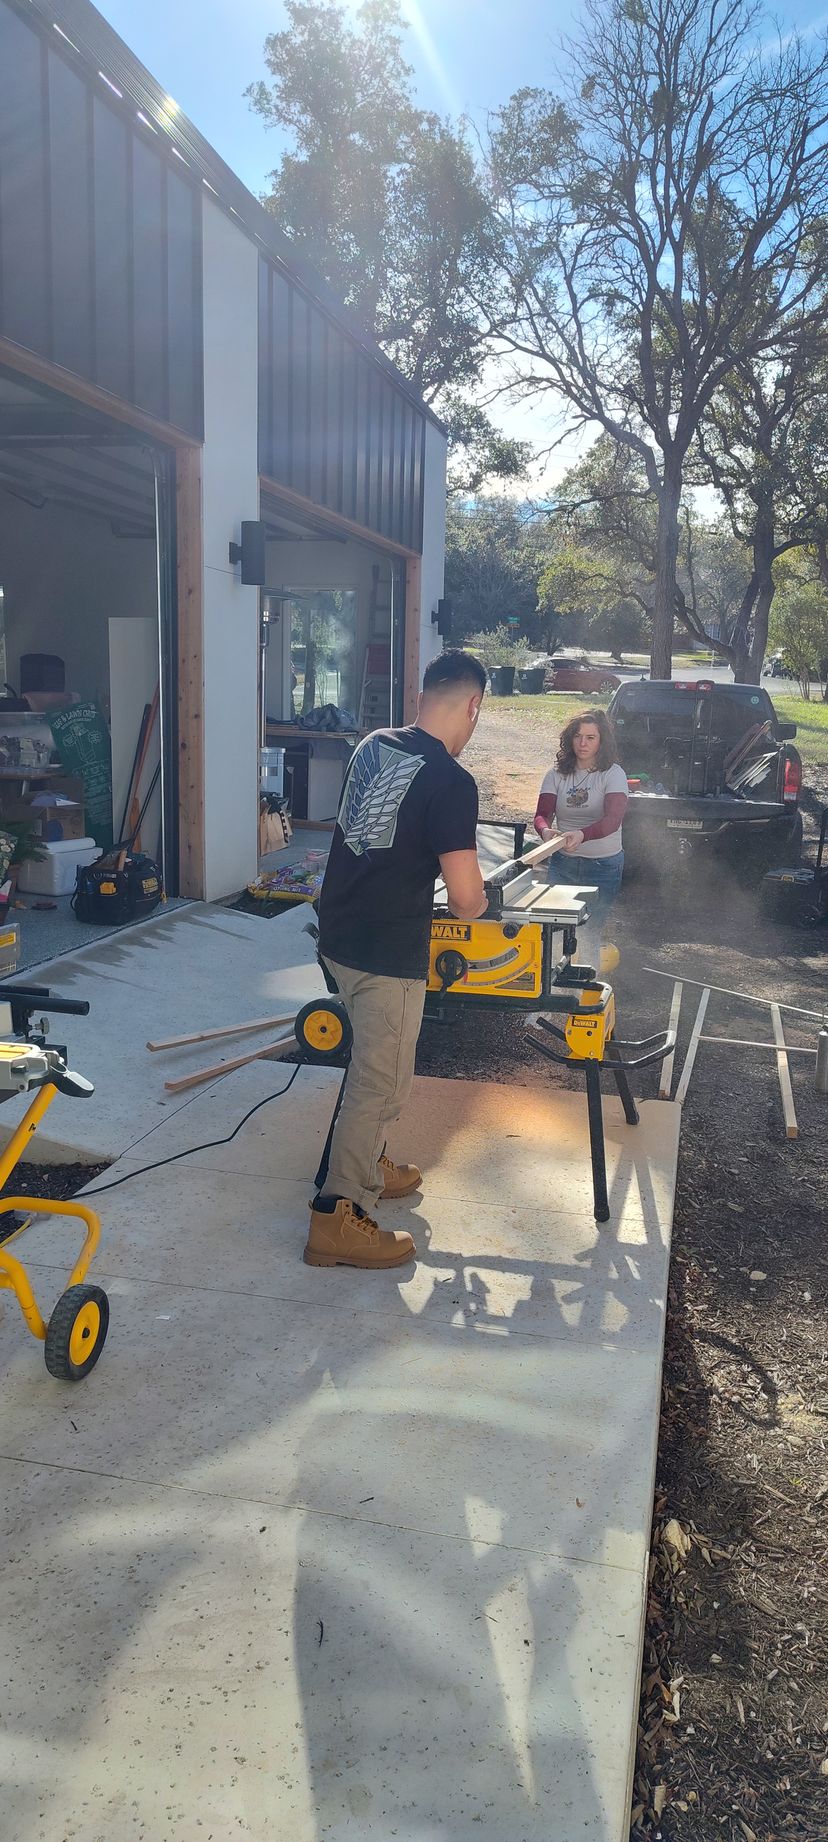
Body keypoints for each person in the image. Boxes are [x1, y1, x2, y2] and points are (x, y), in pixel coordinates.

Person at [306, 650, 488, 1271]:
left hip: (339, 933)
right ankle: (338, 1216)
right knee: (376, 1080)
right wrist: (479, 897)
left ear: (421, 698)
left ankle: (370, 1160)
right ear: (473, 705)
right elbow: (466, 902)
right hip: (386, 951)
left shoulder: (373, 745)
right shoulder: (452, 782)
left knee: (389, 1068)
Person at [533, 708, 628, 973]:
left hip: (603, 866)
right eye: (578, 736)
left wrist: (582, 835)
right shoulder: (556, 774)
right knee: (553, 930)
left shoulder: (613, 774)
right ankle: (551, 991)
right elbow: (542, 815)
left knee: (589, 931)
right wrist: (546, 833)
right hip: (563, 862)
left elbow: (613, 820)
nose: (583, 743)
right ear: (569, 740)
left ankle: (585, 991)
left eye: (590, 737)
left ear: (602, 741)